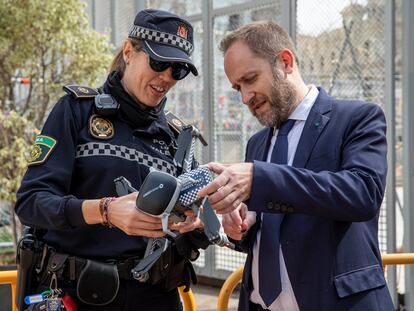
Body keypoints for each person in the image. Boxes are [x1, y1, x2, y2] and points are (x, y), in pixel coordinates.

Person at [15, 9, 206, 311]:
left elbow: (196, 219)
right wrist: (105, 211)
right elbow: (31, 203)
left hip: (157, 297)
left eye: (178, 71)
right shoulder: (75, 111)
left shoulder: (177, 137)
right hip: (76, 293)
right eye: (159, 63)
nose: (166, 77)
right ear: (129, 51)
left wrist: (196, 223)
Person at [198, 21, 394, 310]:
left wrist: (259, 179)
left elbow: (362, 193)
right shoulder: (256, 143)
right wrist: (243, 224)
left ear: (285, 62)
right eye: (237, 87)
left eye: (250, 79)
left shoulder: (357, 118)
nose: (244, 97)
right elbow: (274, 225)